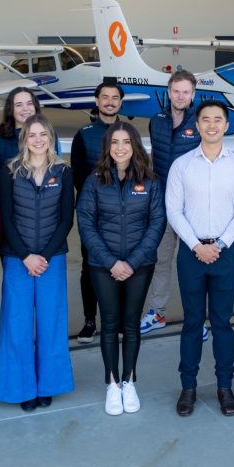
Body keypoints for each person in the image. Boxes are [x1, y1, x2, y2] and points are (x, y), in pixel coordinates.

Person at [167, 100, 234, 417]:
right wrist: (196, 245)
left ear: (226, 124)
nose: (212, 125)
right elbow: (173, 210)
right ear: (198, 125)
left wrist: (220, 243)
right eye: (206, 120)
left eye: (218, 119)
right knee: (192, 323)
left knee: (221, 324)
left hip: (225, 253)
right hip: (191, 254)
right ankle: (188, 387)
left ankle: (224, 387)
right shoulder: (182, 165)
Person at [76, 122, 166, 416]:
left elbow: (156, 224)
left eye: (126, 141)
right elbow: (86, 225)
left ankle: (129, 380)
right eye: (114, 142)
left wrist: (133, 261)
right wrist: (112, 262)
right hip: (104, 266)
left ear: (135, 145)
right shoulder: (94, 181)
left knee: (131, 323)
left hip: (139, 265)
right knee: (110, 323)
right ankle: (112, 383)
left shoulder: (151, 181)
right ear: (107, 147)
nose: (120, 147)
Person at [0, 115, 75, 411]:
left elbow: (66, 219)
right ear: (24, 139)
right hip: (18, 259)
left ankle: (49, 385)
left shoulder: (63, 171)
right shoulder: (9, 171)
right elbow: (5, 218)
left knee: (51, 322)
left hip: (52, 258)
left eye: (43, 134)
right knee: (16, 324)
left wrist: (45, 255)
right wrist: (26, 255)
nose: (38, 140)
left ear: (51, 138)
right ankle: (22, 388)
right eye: (32, 135)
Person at [140, 70, 202, 336]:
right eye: (176, 91)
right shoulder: (157, 122)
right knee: (161, 260)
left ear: (193, 94)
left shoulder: (201, 122)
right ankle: (157, 313)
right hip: (164, 205)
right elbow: (155, 162)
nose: (180, 96)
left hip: (192, 208)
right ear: (169, 92)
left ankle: (195, 319)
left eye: (185, 92)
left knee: (193, 265)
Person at [69, 81, 122, 344]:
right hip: (91, 214)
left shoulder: (129, 133)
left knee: (122, 265)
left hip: (123, 215)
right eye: (105, 97)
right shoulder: (83, 134)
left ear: (120, 103)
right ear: (97, 100)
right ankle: (90, 321)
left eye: (115, 98)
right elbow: (78, 176)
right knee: (91, 268)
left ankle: (120, 320)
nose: (110, 102)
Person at [0, 87, 61, 179]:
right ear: (11, 109)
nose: (25, 109)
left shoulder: (51, 136)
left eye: (29, 103)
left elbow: (57, 171)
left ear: (35, 107)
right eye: (18, 105)